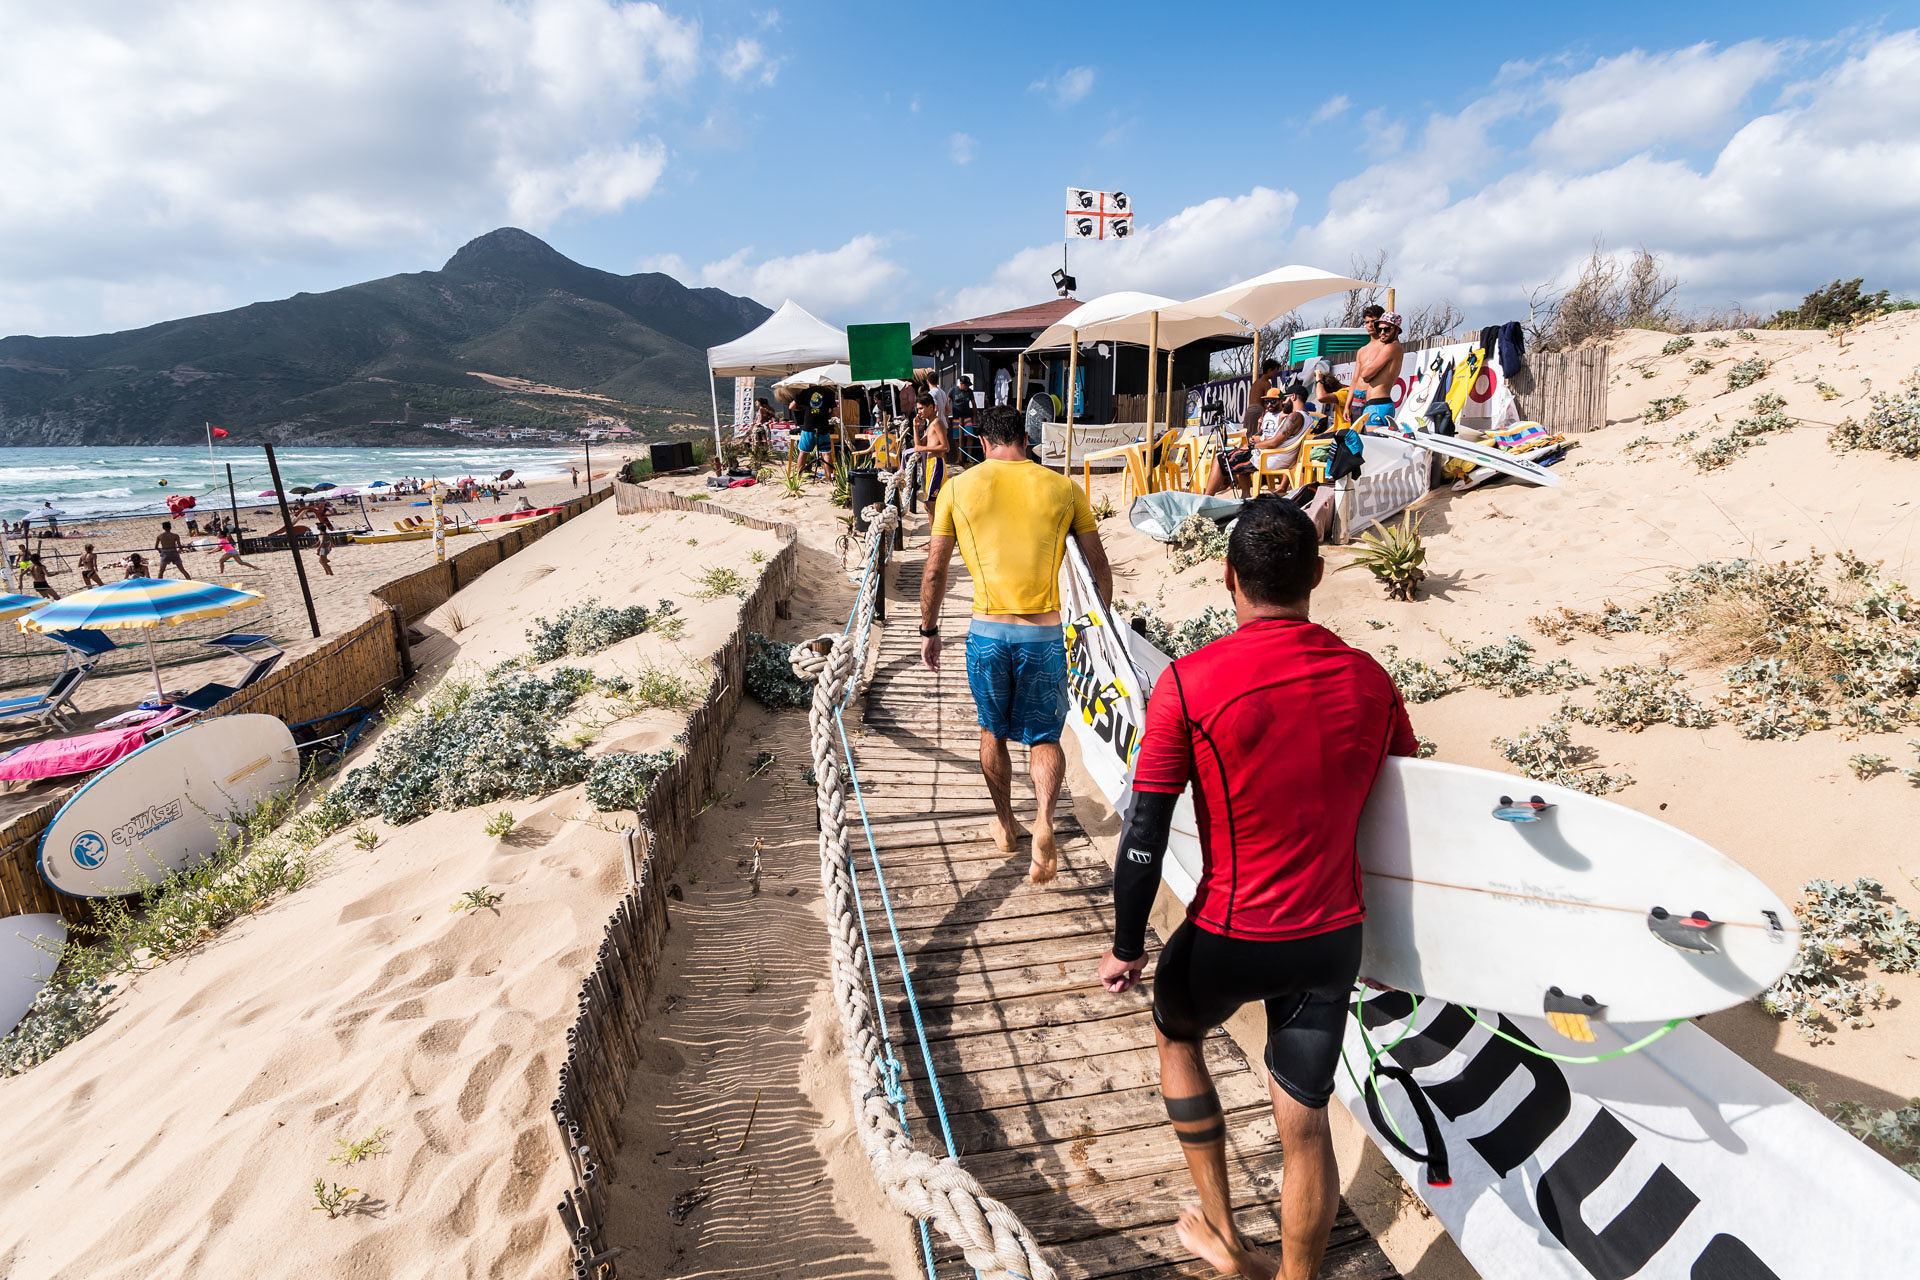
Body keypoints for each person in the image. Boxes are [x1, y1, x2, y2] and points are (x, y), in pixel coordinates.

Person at [1097, 497, 1418, 1280]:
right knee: (1304, 1123)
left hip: (1232, 935)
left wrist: (1128, 946)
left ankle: (1225, 1236)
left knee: (1177, 1032)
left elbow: (1144, 831)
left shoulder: (1189, 683)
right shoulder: (1370, 680)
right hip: (1332, 940)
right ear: (1318, 575)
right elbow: (1408, 808)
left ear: (1228, 577)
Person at [921, 405, 1113, 884]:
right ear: (1026, 440)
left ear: (984, 443)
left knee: (992, 732)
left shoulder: (957, 489)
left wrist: (929, 630)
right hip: (1043, 635)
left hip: (988, 633)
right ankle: (1044, 821)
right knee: (1044, 738)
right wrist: (1096, 626)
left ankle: (1006, 825)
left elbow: (935, 570)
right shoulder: (1064, 489)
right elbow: (1098, 566)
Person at [1352, 309, 1403, 431]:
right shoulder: (1393, 347)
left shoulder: (1391, 347)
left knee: (1373, 442)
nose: (1382, 333)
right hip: (1376, 404)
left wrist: (1368, 370)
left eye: (1387, 329)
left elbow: (1365, 374)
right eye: (1380, 329)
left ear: (1396, 330)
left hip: (1378, 405)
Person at [914, 393, 949, 505]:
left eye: (921, 408)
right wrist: (915, 427)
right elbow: (918, 445)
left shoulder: (937, 422)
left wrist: (923, 448)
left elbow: (945, 447)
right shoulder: (930, 424)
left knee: (930, 503)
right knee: (930, 503)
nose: (919, 412)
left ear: (930, 407)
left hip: (936, 463)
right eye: (918, 409)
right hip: (930, 463)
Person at [1242, 358, 1282, 439]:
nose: (1275, 374)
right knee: (1254, 437)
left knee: (1247, 436)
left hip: (1249, 411)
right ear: (1270, 370)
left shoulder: (1256, 382)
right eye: (1275, 371)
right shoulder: (1266, 383)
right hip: (1257, 411)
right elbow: (1270, 398)